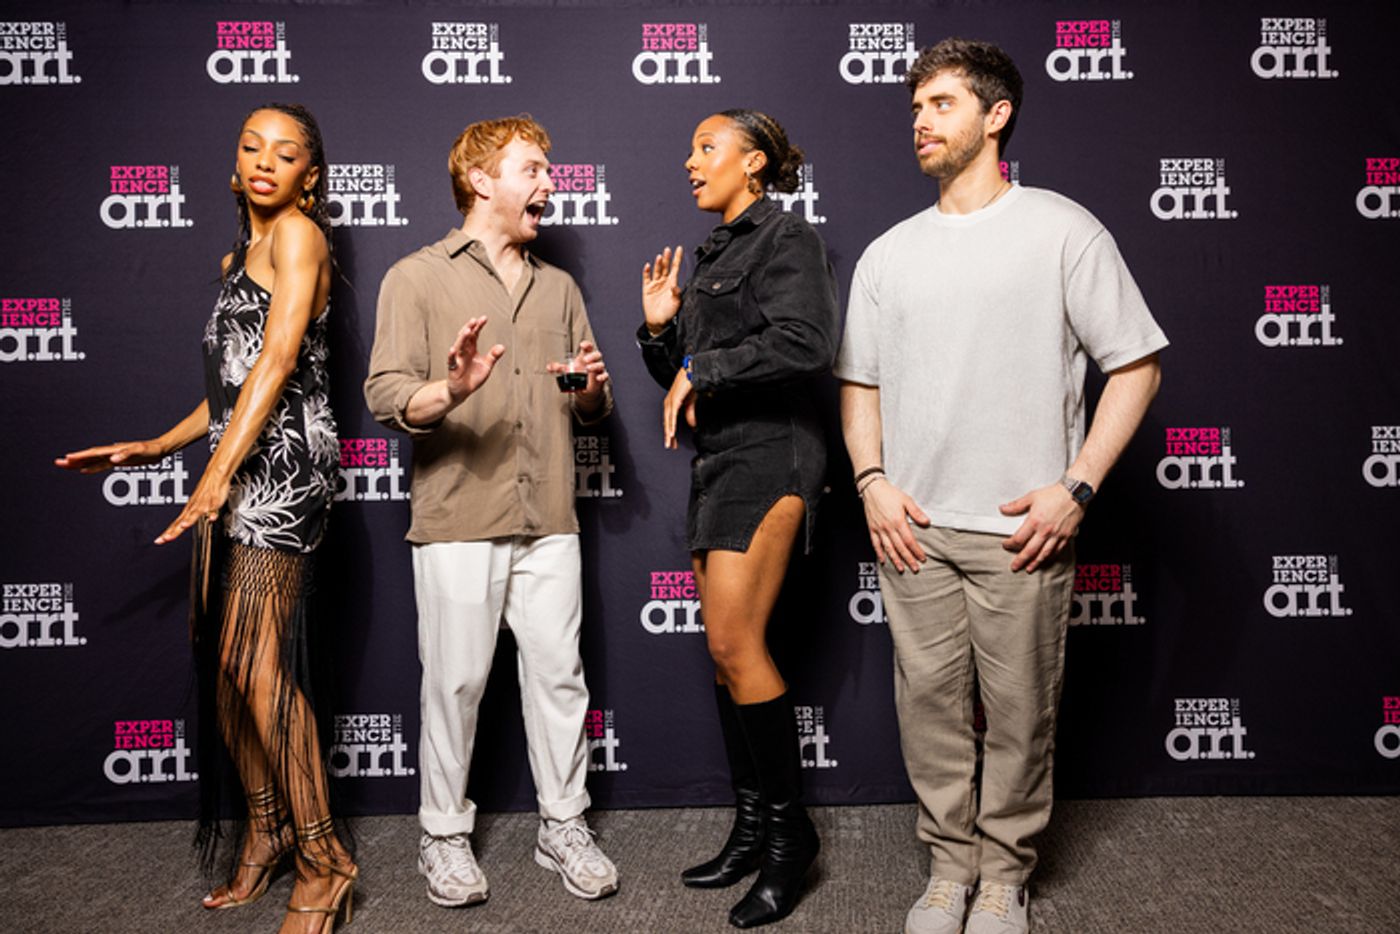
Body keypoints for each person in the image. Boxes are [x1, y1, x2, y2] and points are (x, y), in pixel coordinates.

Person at [835, 39, 1167, 934]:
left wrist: (1078, 487)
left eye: (940, 104)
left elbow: (1135, 366)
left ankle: (1004, 878)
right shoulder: (887, 254)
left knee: (1021, 720)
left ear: (996, 115)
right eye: (914, 108)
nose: (919, 122)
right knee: (932, 717)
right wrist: (870, 482)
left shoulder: (1063, 228)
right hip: (914, 528)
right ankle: (949, 873)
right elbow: (859, 384)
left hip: (1023, 531)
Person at [56, 103, 356, 933]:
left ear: (311, 175)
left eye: (286, 152)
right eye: (252, 148)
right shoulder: (239, 255)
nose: (266, 161)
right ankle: (264, 832)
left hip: (284, 467)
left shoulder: (299, 235)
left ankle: (326, 862)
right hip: (236, 465)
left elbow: (282, 358)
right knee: (229, 666)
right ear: (234, 166)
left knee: (259, 666)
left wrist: (219, 474)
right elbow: (232, 382)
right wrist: (159, 446)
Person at [364, 115, 618, 908]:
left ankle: (563, 826)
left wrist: (593, 391)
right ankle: (443, 836)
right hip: (457, 515)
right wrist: (452, 391)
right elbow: (385, 393)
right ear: (482, 180)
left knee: (558, 679)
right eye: (534, 169)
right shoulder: (416, 277)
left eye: (550, 168)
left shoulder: (561, 286)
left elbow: (589, 413)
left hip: (549, 517)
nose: (551, 183)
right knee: (456, 682)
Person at [638, 109, 840, 929]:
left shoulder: (786, 238)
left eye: (707, 148)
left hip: (772, 454)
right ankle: (753, 828)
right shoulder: (716, 250)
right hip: (719, 458)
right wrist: (661, 332)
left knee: (735, 644)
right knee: (725, 658)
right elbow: (685, 381)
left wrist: (698, 363)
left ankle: (792, 842)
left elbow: (806, 341)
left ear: (753, 163)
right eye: (689, 148)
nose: (690, 162)